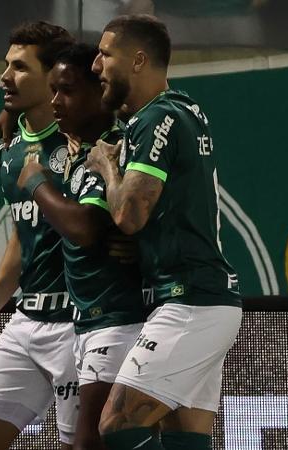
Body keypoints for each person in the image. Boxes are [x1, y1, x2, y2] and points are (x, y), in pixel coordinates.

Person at [86, 14, 242, 450]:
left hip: (190, 301)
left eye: (105, 54)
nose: (96, 65)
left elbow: (130, 214)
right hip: (199, 300)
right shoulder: (181, 109)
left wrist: (106, 166)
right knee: (183, 439)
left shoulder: (159, 117)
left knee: (117, 424)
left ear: (138, 60)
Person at [16, 43, 147, 450]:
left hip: (118, 318)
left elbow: (85, 228)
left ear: (100, 92)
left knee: (93, 440)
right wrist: (9, 114)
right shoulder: (79, 148)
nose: (56, 101)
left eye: (67, 91)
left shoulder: (110, 149)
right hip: (91, 321)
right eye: (53, 90)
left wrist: (35, 182)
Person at [0, 21, 78, 450]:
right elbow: (21, 238)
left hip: (81, 327)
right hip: (26, 323)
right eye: (6, 65)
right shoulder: (8, 150)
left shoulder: (87, 138)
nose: (5, 77)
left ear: (56, 77)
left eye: (20, 68)